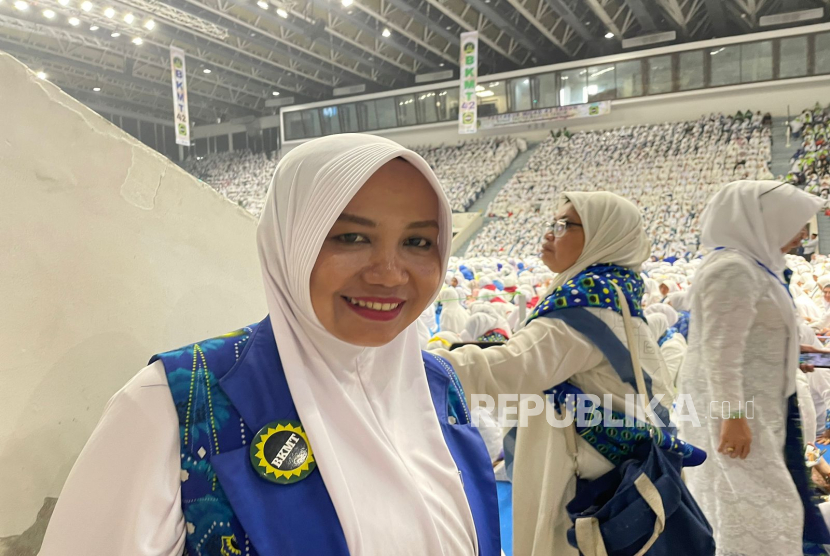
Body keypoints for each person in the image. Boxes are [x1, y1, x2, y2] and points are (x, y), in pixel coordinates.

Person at [39, 135, 500, 556]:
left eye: (418, 241)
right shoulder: (177, 403)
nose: (389, 273)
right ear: (289, 241)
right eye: (352, 237)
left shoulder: (439, 389)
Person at [434, 191, 675, 556]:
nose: (550, 233)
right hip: (606, 464)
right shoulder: (613, 292)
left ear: (601, 236)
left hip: (582, 477)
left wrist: (426, 366)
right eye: (553, 223)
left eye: (564, 226)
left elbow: (511, 370)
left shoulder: (586, 305)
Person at [678, 180, 828, 555]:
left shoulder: (755, 267)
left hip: (757, 407)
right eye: (793, 225)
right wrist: (733, 418)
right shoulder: (732, 270)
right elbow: (720, 353)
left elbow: (752, 340)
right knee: (749, 508)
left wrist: (804, 357)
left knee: (766, 503)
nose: (799, 237)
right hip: (739, 413)